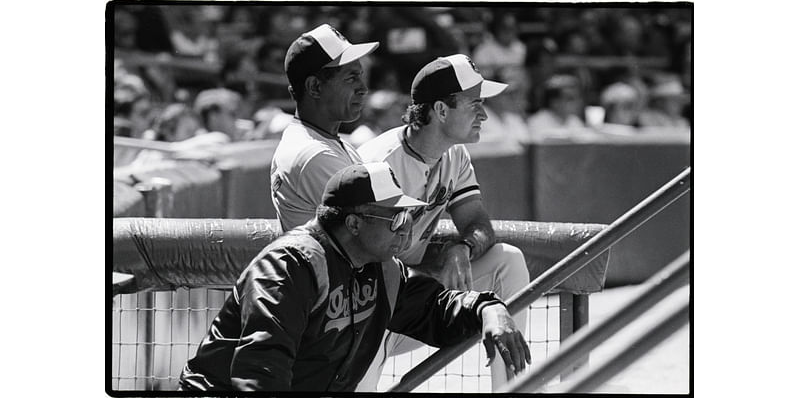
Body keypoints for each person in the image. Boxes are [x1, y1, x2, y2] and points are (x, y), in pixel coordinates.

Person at [179, 162, 530, 391]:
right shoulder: (289, 267)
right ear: (354, 223)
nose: (405, 230)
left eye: (406, 218)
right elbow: (260, 373)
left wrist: (489, 309)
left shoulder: (381, 267)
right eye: (395, 219)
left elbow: (435, 310)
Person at [356, 53, 531, 391]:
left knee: (507, 260)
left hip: (412, 303)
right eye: (473, 104)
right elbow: (364, 262)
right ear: (440, 110)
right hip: (364, 313)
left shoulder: (455, 154)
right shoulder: (379, 166)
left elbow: (477, 222)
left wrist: (461, 247)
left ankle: (510, 388)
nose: (483, 113)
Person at [270, 24, 377, 232]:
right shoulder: (314, 154)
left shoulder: (327, 141)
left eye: (361, 76)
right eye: (351, 78)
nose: (363, 88)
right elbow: (374, 233)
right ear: (315, 87)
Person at [527, 74, 586, 138]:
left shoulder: (574, 121)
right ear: (554, 102)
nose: (578, 102)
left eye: (578, 98)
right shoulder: (537, 122)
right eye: (570, 98)